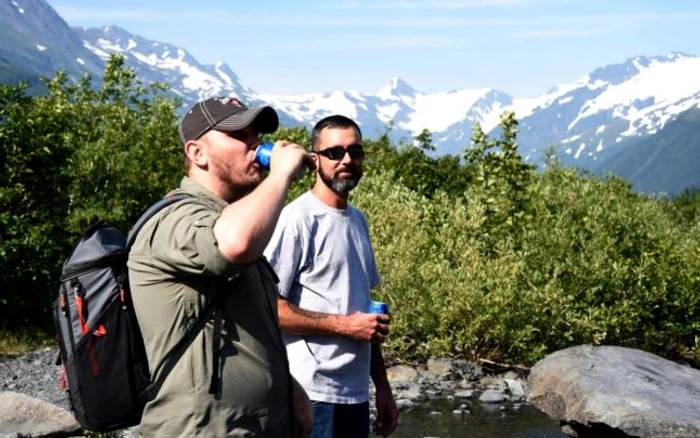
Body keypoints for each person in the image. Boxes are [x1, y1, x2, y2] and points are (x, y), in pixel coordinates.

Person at [127, 96, 314, 437]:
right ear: (197, 153)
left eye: (255, 134)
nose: (255, 143)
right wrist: (282, 173)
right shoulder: (174, 219)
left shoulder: (231, 218)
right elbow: (233, 244)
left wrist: (289, 387)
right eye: (238, 135)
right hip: (200, 429)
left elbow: (246, 330)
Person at [264, 115, 399, 437]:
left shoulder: (358, 221)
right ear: (315, 160)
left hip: (354, 394)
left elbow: (364, 315)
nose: (347, 160)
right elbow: (269, 307)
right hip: (310, 393)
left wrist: (381, 388)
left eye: (355, 152)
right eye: (335, 153)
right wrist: (345, 325)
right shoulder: (297, 219)